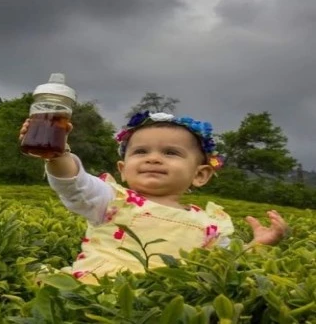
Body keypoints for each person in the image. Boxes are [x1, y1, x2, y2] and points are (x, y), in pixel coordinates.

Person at [19, 111, 288, 284]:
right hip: (94, 291)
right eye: (140, 152)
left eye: (171, 153)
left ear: (201, 175)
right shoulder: (113, 199)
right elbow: (74, 184)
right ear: (123, 169)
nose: (153, 158)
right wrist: (58, 155)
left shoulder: (210, 224)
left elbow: (226, 265)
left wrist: (259, 245)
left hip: (161, 303)